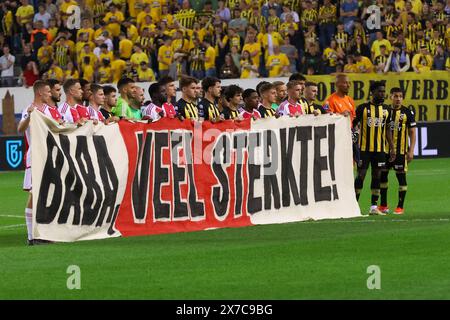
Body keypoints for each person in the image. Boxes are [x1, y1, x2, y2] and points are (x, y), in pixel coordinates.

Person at [17, 80, 59, 245]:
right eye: (48, 92)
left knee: (47, 195)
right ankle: (31, 236)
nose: (50, 94)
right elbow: (20, 129)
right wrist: (29, 115)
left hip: (50, 157)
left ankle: (44, 234)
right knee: (35, 195)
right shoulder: (29, 109)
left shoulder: (51, 111)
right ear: (40, 93)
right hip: (35, 156)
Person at [353, 81, 395, 215]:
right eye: (380, 91)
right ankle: (354, 205)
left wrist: (392, 148)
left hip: (380, 150)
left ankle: (373, 207)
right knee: (361, 175)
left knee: (377, 176)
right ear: (372, 92)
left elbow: (388, 129)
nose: (383, 94)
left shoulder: (387, 109)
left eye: (384, 91)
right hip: (364, 150)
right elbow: (353, 125)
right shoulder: (362, 108)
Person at [379, 88, 416, 215]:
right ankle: (383, 205)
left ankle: (400, 206)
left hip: (400, 151)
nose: (398, 98)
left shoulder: (407, 112)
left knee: (401, 177)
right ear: (391, 97)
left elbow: (412, 132)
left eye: (400, 96)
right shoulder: (385, 111)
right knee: (382, 177)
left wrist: (411, 150)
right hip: (385, 151)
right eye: (396, 96)